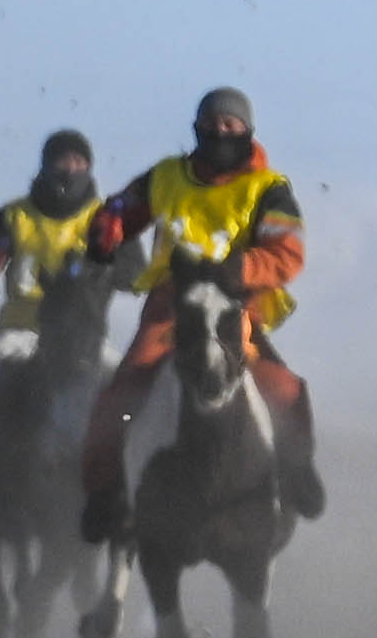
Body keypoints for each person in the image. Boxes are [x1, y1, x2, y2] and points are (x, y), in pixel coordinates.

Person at [77, 87, 320, 538]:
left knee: (285, 389)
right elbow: (120, 207)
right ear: (197, 126)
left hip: (235, 308)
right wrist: (107, 227)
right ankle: (103, 493)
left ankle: (297, 473)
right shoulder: (168, 176)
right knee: (123, 390)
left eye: (230, 125)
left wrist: (240, 268)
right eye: (211, 124)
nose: (220, 132)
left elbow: (288, 255)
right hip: (172, 308)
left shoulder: (268, 190)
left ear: (247, 131)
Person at [0, 131, 103, 538]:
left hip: (83, 338)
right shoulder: (15, 216)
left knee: (123, 397)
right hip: (20, 332)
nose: (69, 170)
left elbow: (134, 267)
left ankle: (117, 496)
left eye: (78, 162)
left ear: (89, 168)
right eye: (62, 161)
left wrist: (97, 272)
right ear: (46, 166)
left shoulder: (104, 220)